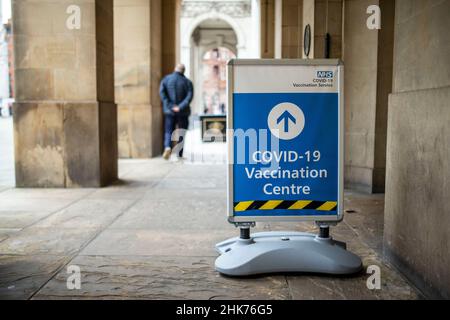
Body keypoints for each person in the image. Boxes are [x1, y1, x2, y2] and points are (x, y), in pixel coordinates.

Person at [159, 64, 194, 160]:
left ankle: (167, 147)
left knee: (168, 131)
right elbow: (189, 97)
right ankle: (179, 154)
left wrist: (170, 106)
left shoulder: (166, 79)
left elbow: (162, 94)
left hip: (169, 111)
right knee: (181, 132)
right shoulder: (188, 82)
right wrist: (180, 107)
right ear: (184, 71)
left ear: (175, 69)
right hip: (183, 112)